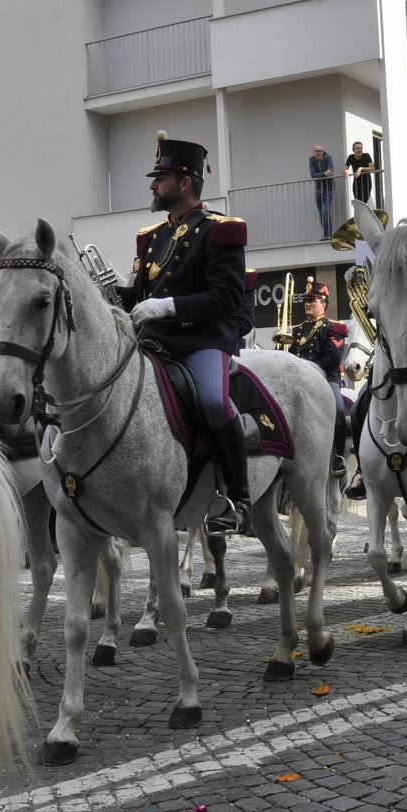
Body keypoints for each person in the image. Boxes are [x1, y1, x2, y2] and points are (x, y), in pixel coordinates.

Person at [121, 138, 255, 536]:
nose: (152, 185)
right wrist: (107, 290)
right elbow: (140, 296)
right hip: (153, 340)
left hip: (201, 340)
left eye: (159, 178)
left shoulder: (221, 230)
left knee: (214, 403)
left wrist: (169, 307)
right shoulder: (152, 236)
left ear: (184, 182)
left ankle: (238, 498)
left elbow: (228, 297)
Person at [284, 279, 349, 478]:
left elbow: (333, 358)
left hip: (326, 377)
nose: (308, 303)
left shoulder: (334, 327)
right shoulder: (298, 330)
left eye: (313, 300)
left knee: (337, 408)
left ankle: (338, 456)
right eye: (306, 300)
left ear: (324, 304)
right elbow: (292, 355)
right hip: (299, 377)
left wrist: (308, 370)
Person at [308, 144, 337, 240]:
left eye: (320, 151)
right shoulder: (311, 160)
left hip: (329, 188)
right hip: (318, 190)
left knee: (325, 210)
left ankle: (328, 234)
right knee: (321, 212)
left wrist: (321, 175)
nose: (319, 153)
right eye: (317, 151)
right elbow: (312, 175)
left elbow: (331, 172)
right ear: (313, 152)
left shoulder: (328, 158)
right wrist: (324, 173)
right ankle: (326, 234)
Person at [344, 141, 375, 206]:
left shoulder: (366, 155)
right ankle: (360, 215)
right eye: (357, 148)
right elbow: (345, 168)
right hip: (356, 182)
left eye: (360, 148)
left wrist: (360, 168)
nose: (359, 150)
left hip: (366, 182)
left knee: (364, 202)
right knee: (358, 202)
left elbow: (372, 168)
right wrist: (346, 170)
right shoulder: (351, 157)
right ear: (353, 150)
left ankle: (364, 215)